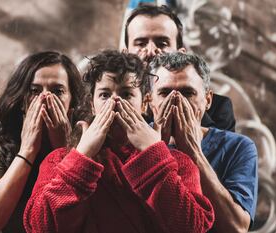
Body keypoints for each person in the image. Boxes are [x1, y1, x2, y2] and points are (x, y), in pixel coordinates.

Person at [23, 50, 214, 233]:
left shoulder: (179, 163)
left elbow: (191, 227)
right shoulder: (59, 159)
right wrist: (82, 156)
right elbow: (39, 226)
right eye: (105, 94)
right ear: (92, 104)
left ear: (145, 103)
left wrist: (152, 153)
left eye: (126, 94)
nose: (115, 102)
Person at [0, 51, 86, 233]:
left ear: (72, 102)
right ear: (22, 102)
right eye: (34, 91)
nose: (45, 98)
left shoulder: (86, 149)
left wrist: (63, 152)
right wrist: (27, 150)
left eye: (58, 91)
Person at [149, 52, 258, 232]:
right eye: (164, 92)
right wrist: (154, 150)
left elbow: (237, 227)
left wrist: (194, 153)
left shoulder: (239, 147)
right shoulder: (132, 142)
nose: (176, 102)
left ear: (207, 100)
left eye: (188, 93)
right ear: (150, 100)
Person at [124, 4, 236, 131]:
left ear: (181, 53)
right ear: (126, 55)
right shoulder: (110, 103)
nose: (150, 51)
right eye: (140, 43)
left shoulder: (218, 109)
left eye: (162, 43)